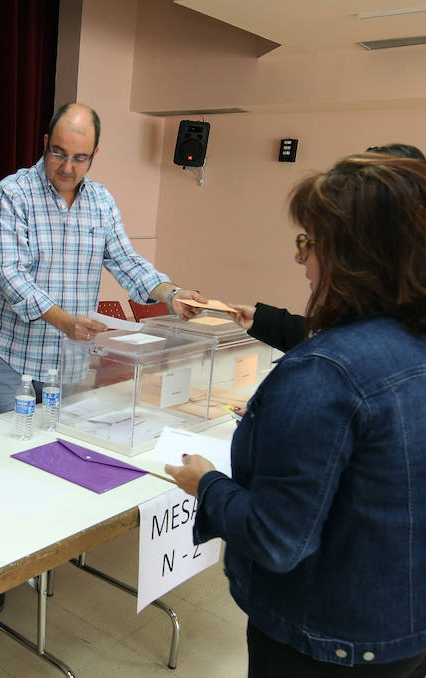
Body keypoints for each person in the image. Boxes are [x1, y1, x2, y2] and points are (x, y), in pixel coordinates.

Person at [166, 154, 426, 676]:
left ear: (354, 254)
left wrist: (207, 484)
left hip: (322, 640)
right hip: (402, 625)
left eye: (308, 242)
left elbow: (275, 539)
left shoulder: (323, 373)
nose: (300, 260)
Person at [0, 102, 206, 415]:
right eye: (58, 153)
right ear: (45, 143)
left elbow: (126, 260)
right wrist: (65, 321)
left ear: (95, 154)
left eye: (80, 158)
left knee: (61, 448)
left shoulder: (101, 201)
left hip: (68, 360)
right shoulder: (12, 195)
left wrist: (171, 293)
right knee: (6, 448)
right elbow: (11, 275)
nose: (67, 167)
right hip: (11, 356)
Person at [227, 142, 425, 353]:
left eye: (313, 241)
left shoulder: (338, 362)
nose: (300, 258)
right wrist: (260, 319)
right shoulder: (404, 330)